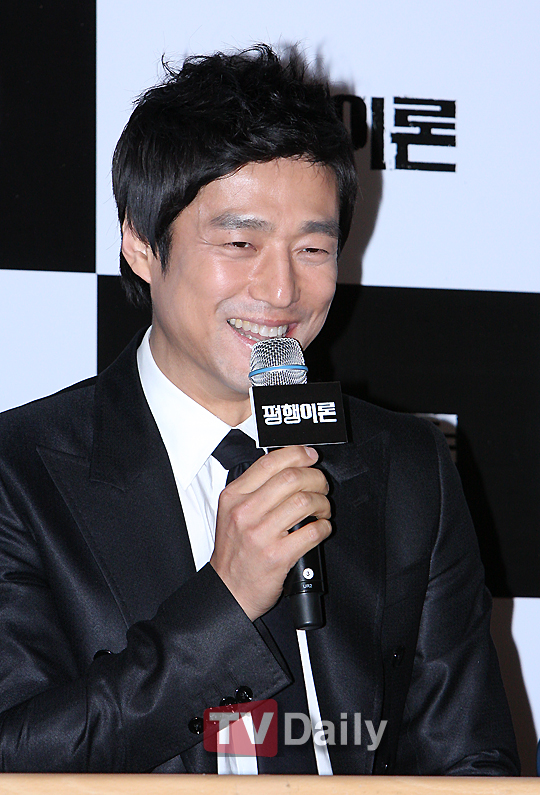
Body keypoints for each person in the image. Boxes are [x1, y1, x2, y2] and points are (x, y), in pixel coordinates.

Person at [0, 45, 519, 775]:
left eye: (313, 249)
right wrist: (226, 600)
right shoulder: (21, 472)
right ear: (141, 244)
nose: (281, 291)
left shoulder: (407, 469)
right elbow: (18, 755)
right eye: (241, 242)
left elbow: (470, 763)